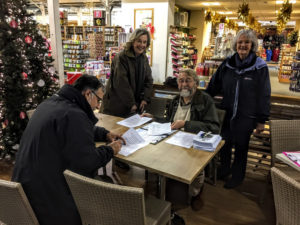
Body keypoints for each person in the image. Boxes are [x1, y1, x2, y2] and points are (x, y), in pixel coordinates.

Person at [12, 75, 124, 225]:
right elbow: (88, 161)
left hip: (23, 188)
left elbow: (75, 130)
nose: (98, 106)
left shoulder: (52, 103)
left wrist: (104, 133)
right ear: (88, 94)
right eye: (98, 99)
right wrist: (110, 150)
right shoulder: (74, 115)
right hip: (47, 199)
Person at [143, 68, 220, 211]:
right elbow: (168, 122)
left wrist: (186, 124)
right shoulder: (175, 101)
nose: (184, 84)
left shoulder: (205, 100)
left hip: (194, 144)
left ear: (196, 83)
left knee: (193, 169)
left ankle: (196, 192)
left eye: (188, 81)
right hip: (175, 141)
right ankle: (168, 190)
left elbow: (214, 127)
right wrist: (153, 118)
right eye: (181, 81)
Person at [206, 29, 271, 189]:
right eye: (240, 42)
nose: (243, 45)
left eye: (247, 42)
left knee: (242, 147)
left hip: (246, 116)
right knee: (225, 144)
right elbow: (214, 84)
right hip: (227, 113)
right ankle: (224, 170)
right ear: (235, 44)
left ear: (252, 45)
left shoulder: (259, 67)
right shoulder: (227, 64)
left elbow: (264, 94)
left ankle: (237, 176)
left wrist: (261, 120)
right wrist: (205, 100)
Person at [101, 28, 153, 117]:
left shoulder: (143, 58)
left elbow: (148, 80)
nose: (142, 45)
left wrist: (145, 98)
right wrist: (131, 103)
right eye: (139, 41)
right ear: (133, 41)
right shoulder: (121, 57)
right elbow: (121, 83)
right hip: (116, 106)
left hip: (132, 107)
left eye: (144, 42)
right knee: (114, 129)